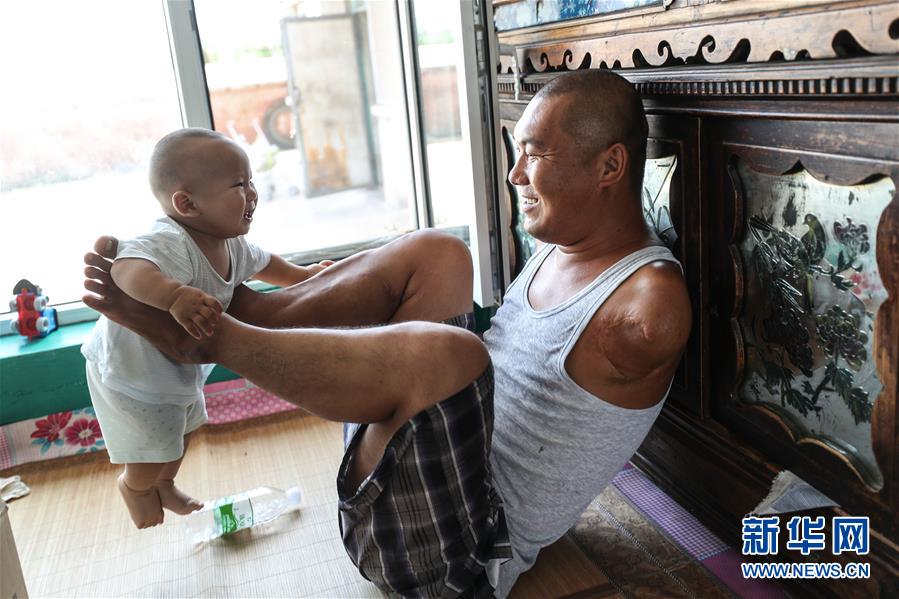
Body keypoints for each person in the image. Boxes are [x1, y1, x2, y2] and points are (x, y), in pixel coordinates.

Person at [82, 70, 691, 597]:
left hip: (455, 557)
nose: (514, 175)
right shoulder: (566, 242)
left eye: (535, 155)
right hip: (403, 483)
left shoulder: (648, 302)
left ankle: (209, 340)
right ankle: (239, 309)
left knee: (455, 354)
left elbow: (653, 326)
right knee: (440, 253)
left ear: (611, 165)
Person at [81, 128, 331, 529]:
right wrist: (174, 295)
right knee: (155, 451)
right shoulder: (172, 240)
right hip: (131, 372)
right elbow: (126, 267)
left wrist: (304, 277)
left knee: (182, 434)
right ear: (187, 203)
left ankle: (165, 486)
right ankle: (136, 488)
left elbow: (268, 263)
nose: (253, 194)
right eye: (239, 185)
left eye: (251, 182)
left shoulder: (231, 243)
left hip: (175, 370)